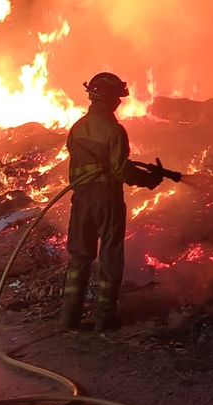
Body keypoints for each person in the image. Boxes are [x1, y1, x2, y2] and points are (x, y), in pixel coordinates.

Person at [60, 71, 168, 333]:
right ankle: (104, 318)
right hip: (106, 198)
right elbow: (118, 169)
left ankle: (68, 318)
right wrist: (146, 180)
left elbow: (97, 163)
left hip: (82, 197)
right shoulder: (114, 130)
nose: (120, 103)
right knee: (110, 255)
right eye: (117, 98)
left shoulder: (77, 128)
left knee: (79, 256)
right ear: (110, 100)